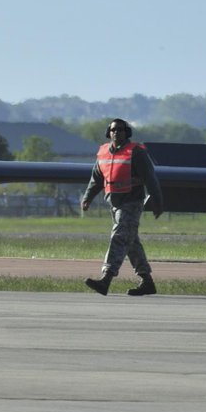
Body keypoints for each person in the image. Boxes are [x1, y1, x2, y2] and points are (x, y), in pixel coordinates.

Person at [80, 118, 162, 296]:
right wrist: (87, 198)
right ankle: (147, 282)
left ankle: (106, 278)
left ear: (127, 133)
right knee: (130, 242)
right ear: (108, 132)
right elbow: (96, 179)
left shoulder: (136, 152)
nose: (117, 133)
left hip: (131, 202)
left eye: (121, 130)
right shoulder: (103, 153)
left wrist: (157, 200)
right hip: (114, 203)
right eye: (113, 130)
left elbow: (150, 177)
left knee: (119, 237)